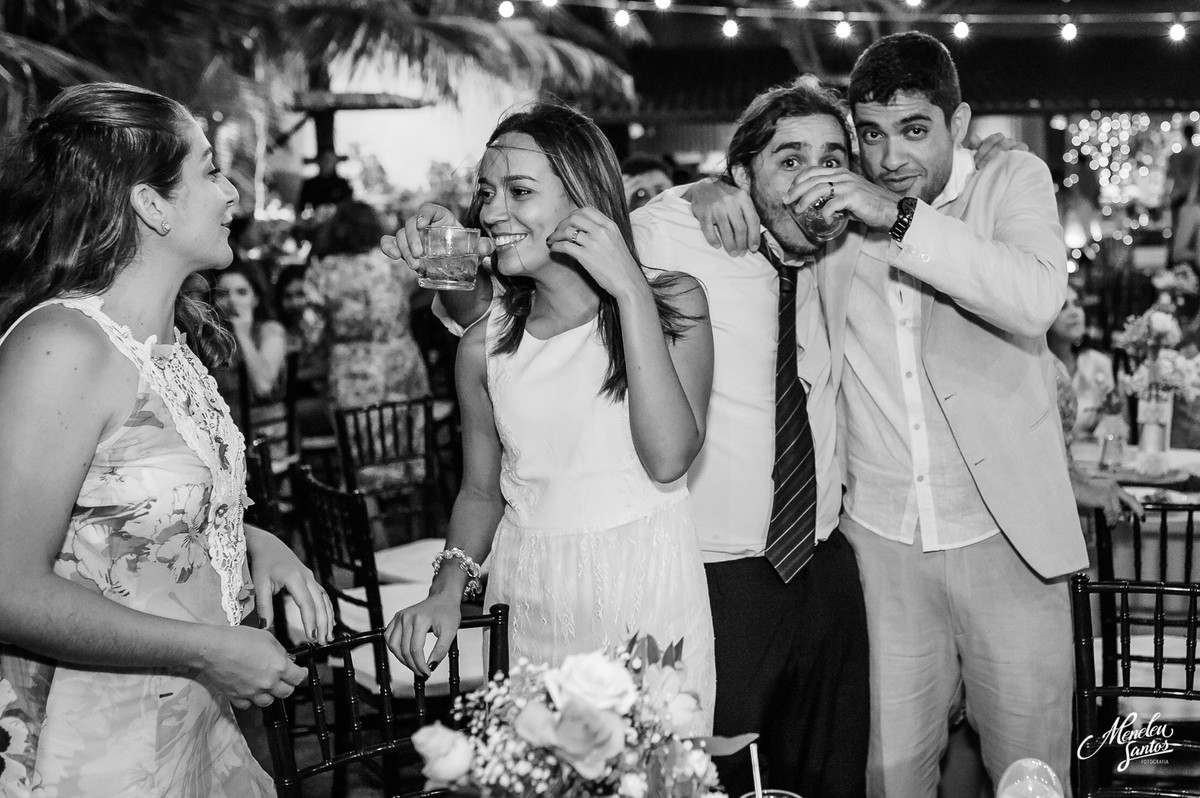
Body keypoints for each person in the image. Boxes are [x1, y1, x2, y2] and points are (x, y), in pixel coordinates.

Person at [692, 32, 1086, 796]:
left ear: (958, 123)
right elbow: (768, 201)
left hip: (1008, 539)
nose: (890, 156)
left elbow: (1034, 298)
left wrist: (899, 217)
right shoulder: (837, 214)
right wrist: (708, 190)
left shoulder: (1011, 180)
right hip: (882, 544)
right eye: (871, 134)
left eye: (913, 129)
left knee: (1032, 776)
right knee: (890, 775)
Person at [0, 82, 333, 797]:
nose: (232, 191)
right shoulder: (61, 347)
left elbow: (123, 514)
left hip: (191, 728)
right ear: (151, 204)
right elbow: (8, 586)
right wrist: (210, 649)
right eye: (210, 170)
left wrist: (250, 541)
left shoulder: (168, 346)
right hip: (94, 747)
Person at [382, 101, 717, 733]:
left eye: (520, 191)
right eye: (487, 193)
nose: (491, 212)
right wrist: (446, 592)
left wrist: (630, 291)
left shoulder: (674, 301)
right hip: (528, 602)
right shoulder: (483, 346)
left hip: (645, 598)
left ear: (584, 197)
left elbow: (670, 457)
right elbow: (481, 492)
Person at [633, 77, 870, 796]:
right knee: (718, 775)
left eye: (832, 159)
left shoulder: (847, 249)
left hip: (824, 560)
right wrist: (691, 191)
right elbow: (560, 258)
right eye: (789, 159)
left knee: (831, 774)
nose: (815, 177)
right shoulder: (672, 233)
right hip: (717, 574)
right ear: (742, 173)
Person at [211, 263, 288, 432]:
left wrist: (243, 335)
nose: (232, 300)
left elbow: (263, 387)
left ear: (256, 299)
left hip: (267, 433)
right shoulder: (211, 340)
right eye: (222, 294)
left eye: (242, 292)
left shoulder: (270, 330)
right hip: (225, 432)